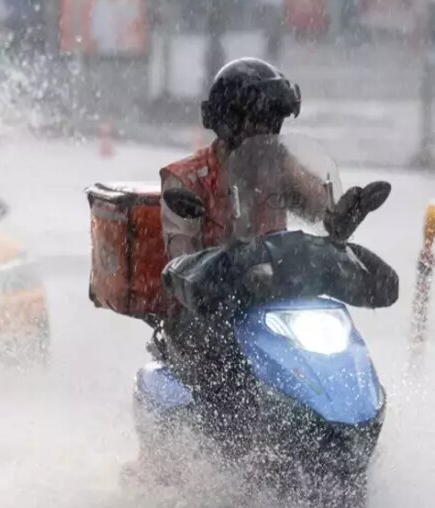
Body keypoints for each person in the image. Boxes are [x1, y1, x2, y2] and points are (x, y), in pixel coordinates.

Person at [155, 57, 399, 420]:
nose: (269, 132)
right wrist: (223, 265)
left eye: (274, 122)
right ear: (230, 122)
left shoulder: (277, 164)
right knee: (225, 368)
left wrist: (344, 212)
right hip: (211, 304)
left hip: (274, 293)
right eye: (260, 121)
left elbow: (320, 209)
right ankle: (227, 443)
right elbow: (181, 260)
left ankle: (350, 413)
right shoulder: (186, 179)